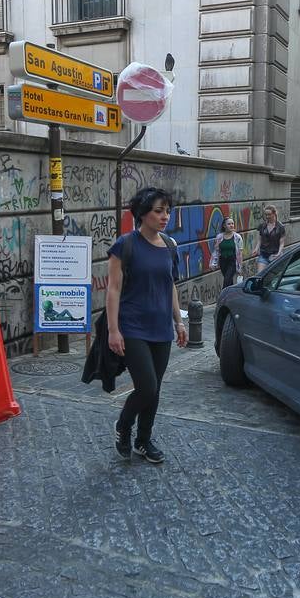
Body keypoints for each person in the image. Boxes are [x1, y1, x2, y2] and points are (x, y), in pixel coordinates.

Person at [107, 187, 188, 464]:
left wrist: (179, 321)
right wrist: (113, 329)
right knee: (147, 386)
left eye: (167, 210)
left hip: (161, 328)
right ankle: (123, 426)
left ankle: (144, 440)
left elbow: (170, 286)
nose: (165, 216)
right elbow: (113, 290)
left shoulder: (169, 245)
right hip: (133, 327)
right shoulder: (125, 245)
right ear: (143, 213)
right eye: (158, 211)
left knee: (156, 389)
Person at [209, 217, 244, 289]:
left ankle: (223, 297)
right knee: (229, 281)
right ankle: (231, 297)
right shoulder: (219, 237)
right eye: (229, 224)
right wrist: (213, 263)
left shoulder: (237, 237)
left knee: (226, 280)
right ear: (224, 226)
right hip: (223, 261)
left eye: (232, 224)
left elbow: (240, 253)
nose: (231, 225)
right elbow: (216, 251)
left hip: (232, 261)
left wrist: (239, 267)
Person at [256, 206, 286, 273]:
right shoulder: (262, 226)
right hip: (263, 255)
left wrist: (279, 253)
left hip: (275, 255)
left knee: (273, 277)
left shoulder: (280, 227)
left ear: (274, 214)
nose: (267, 216)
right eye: (266, 214)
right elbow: (260, 239)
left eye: (269, 214)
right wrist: (256, 248)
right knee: (259, 275)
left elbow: (282, 243)